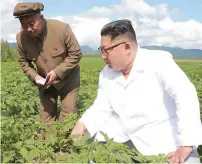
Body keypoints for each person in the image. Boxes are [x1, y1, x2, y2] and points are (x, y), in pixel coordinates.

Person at [71, 19, 202, 163]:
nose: (102, 56)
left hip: (164, 138)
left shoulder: (158, 62)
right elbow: (101, 107)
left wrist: (186, 144)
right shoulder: (106, 73)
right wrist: (82, 124)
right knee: (93, 155)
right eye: (101, 50)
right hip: (125, 136)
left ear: (127, 47)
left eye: (106, 50)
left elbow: (185, 95)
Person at [13, 2, 82, 124]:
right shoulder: (21, 38)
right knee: (45, 121)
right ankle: (49, 142)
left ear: (41, 18)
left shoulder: (61, 29)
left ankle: (65, 142)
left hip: (69, 79)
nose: (28, 29)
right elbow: (23, 62)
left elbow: (76, 53)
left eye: (31, 24)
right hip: (45, 83)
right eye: (23, 25)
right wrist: (36, 77)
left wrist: (57, 72)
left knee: (68, 114)